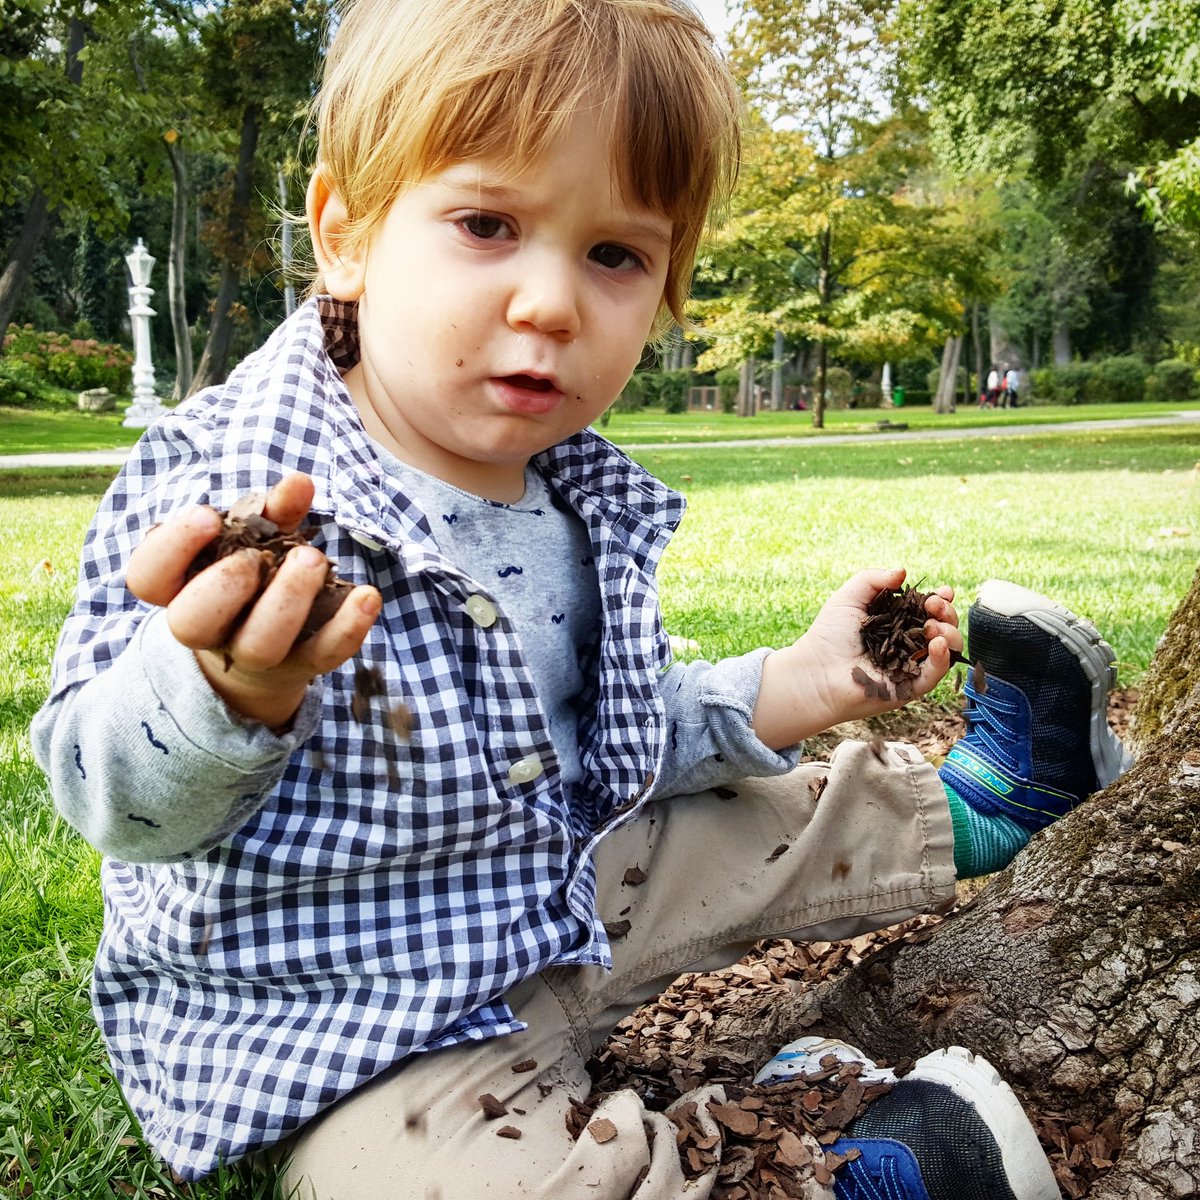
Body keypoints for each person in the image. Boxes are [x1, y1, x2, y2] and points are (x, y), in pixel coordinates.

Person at [31, 2, 1130, 1197]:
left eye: (616, 254)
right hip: (351, 1039)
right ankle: (815, 1173)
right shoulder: (227, 489)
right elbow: (112, 801)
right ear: (345, 231)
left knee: (759, 820)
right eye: (486, 223)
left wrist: (807, 681)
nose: (551, 304)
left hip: (554, 893)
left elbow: (610, 747)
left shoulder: (569, 497)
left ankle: (990, 806)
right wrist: (215, 693)